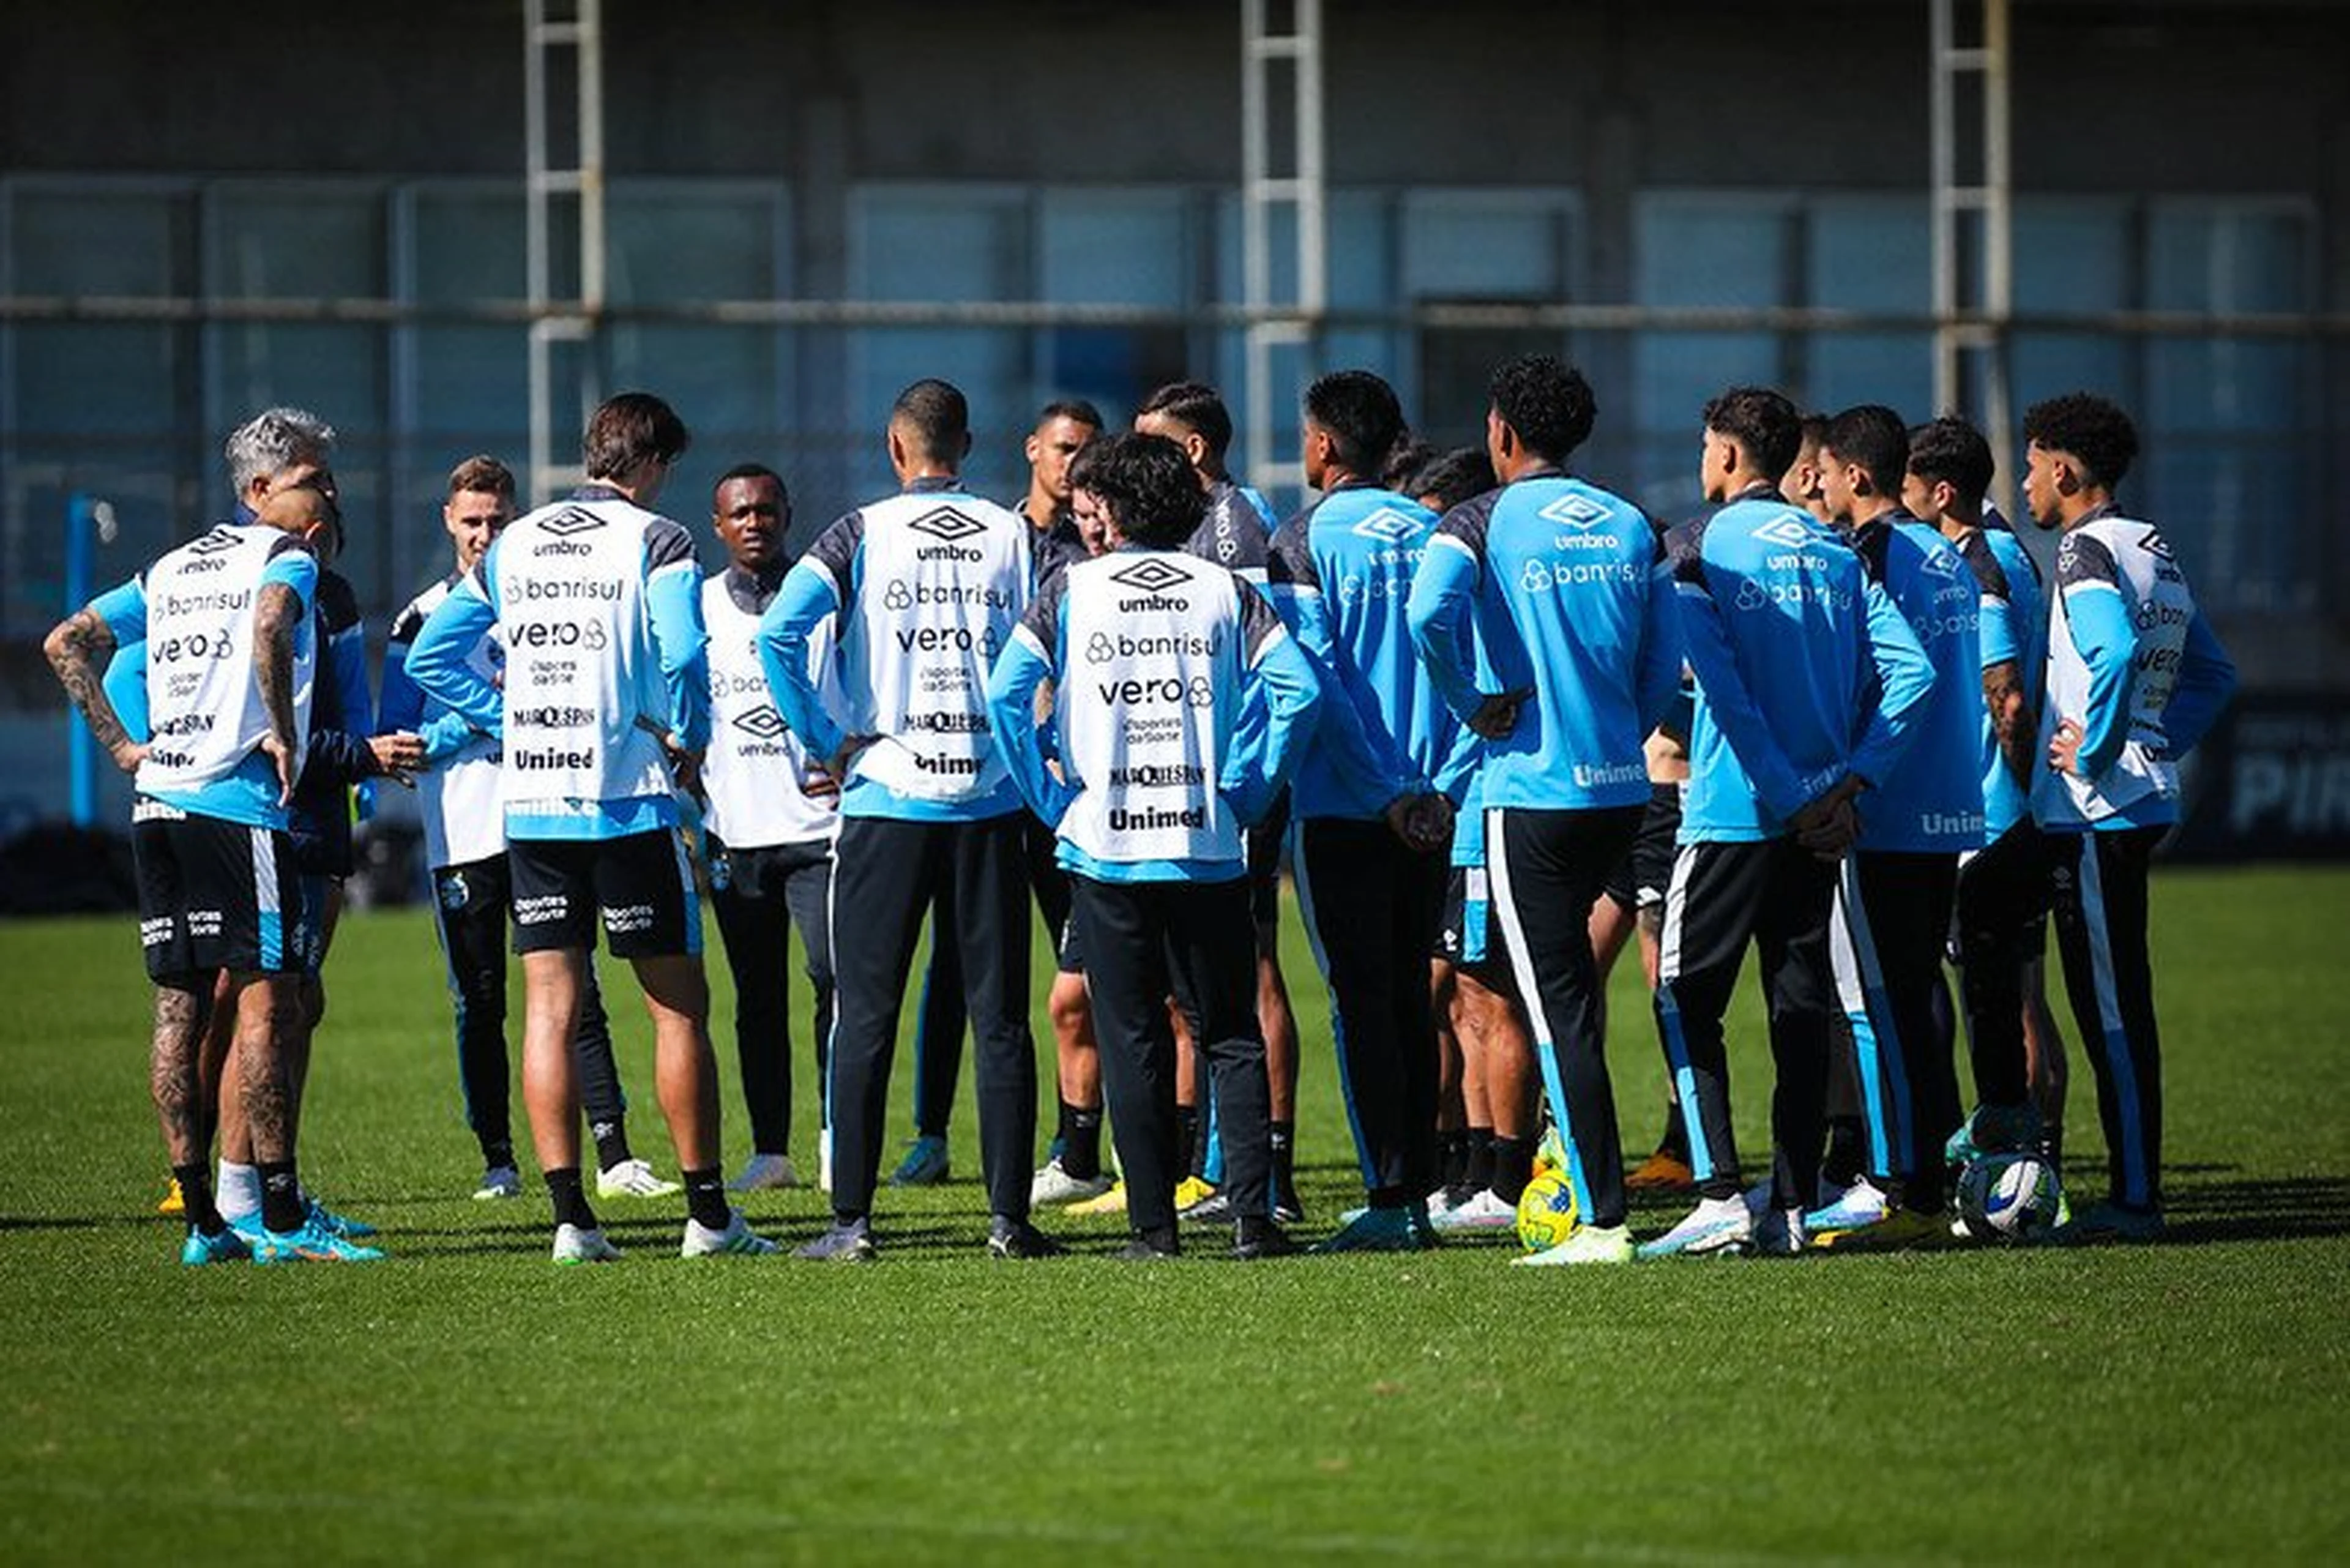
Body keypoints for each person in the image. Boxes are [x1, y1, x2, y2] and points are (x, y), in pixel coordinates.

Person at [408, 391, 773, 1263]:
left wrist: (506, 715)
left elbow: (430, 656)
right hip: (628, 797)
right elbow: (683, 652)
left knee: (549, 1009)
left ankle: (572, 1221)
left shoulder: (517, 541)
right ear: (648, 462)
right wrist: (688, 732)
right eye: (667, 466)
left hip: (535, 802)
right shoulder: (659, 539)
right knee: (678, 1009)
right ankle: (709, 1218)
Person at [986, 431, 1322, 1258]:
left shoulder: (1072, 588)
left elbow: (1005, 694)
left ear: (1116, 507)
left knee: (1132, 1035)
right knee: (1229, 1032)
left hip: (1105, 845)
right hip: (1206, 841)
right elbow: (1299, 691)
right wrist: (1249, 788)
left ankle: (1154, 1229)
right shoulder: (1223, 589)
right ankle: (1252, 1221)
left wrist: (1050, 798)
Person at [759, 378, 1053, 1262]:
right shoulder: (1016, 534)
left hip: (888, 793)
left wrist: (825, 740)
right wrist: (1036, 749)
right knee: (1001, 1019)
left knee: (865, 1014)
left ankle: (850, 1223)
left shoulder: (859, 532)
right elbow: (1064, 644)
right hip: (990, 798)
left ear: (896, 447)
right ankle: (1008, 1221)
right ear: (970, 445)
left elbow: (777, 634)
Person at [48, 482, 379, 1263]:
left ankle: (203, 1223)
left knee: (179, 1011)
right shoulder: (287, 556)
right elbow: (270, 623)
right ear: (309, 526)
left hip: (158, 806)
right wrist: (285, 731)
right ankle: (284, 1220)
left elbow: (65, 642)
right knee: (269, 1007)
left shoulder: (172, 567)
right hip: (239, 809)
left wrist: (124, 748)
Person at [1639, 387, 1932, 1260]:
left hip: (1735, 817)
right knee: (1798, 1010)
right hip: (1817, 828)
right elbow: (1913, 674)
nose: (1703, 460)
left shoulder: (1699, 550)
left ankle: (1718, 1193)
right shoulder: (1837, 551)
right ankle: (1793, 1206)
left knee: (1682, 997)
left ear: (1729, 456)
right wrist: (1848, 784)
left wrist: (1791, 791)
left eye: (1706, 446)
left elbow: (1725, 695)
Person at [1409, 355, 1682, 1264]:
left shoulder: (1479, 519)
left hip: (1531, 793)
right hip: (1622, 790)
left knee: (1552, 1005)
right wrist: (1620, 731)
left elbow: (1426, 615)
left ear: (1502, 433)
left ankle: (1601, 1217)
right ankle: (1606, 1179)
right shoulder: (1631, 521)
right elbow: (1663, 660)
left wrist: (1470, 701)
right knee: (1577, 1000)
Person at [380, 455, 651, 1201]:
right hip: (463, 831)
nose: (484, 534)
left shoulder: (546, 592)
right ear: (449, 521)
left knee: (579, 989)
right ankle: (498, 1160)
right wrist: (490, 716)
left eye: (497, 521)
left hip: (548, 817)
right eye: (472, 521)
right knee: (479, 999)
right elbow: (397, 739)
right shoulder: (419, 619)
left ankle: (615, 1155)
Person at [2021, 392, 2236, 1242]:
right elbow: (2213, 675)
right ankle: (2134, 1188)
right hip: (2136, 799)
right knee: (2117, 1003)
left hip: (2097, 809)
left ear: (2064, 469)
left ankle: (2137, 1199)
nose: (2027, 484)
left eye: (2033, 467)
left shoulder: (2083, 548)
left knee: (2110, 1009)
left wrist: (2101, 751)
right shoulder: (2153, 547)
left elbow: (2110, 651)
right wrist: (2154, 741)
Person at [894, 399, 1107, 1192]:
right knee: (953, 961)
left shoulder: (1096, 548)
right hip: (984, 784)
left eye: (1087, 451)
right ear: (1031, 450)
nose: (1074, 464)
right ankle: (930, 1133)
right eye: (1063, 447)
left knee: (1079, 963)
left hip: (1054, 790)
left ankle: (1074, 1141)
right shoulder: (994, 537)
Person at [1264, 369, 1455, 1252]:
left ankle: (1390, 1194)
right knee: (1412, 997)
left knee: (1363, 1001)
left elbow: (1318, 684)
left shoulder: (1300, 540)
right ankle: (1418, 1193)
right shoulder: (1438, 530)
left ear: (1325, 444)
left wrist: (1384, 793)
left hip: (1349, 808)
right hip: (1432, 810)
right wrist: (1434, 789)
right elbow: (1467, 669)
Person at [1804, 404, 1986, 1248]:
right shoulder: (1946, 553)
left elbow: (1893, 679)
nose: (1819, 488)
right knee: (1914, 998)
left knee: (1875, 1002)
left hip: (1890, 808)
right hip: (1949, 801)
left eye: (1826, 475)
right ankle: (1928, 1178)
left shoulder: (1870, 554)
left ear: (1857, 476)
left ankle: (1895, 1187)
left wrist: (1852, 776)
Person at [1132, 379, 1303, 1223]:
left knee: (1250, 967)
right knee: (1193, 985)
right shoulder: (1193, 520)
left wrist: (1246, 778)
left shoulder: (1233, 523)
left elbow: (1264, 668)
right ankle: (1216, 1165)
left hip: (1229, 784)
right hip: (1195, 784)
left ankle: (1268, 1171)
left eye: (1153, 441)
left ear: (1194, 448)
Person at [1900, 417, 2062, 1173]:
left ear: (1941, 492)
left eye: (1906, 487)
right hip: (2007, 809)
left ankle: (2024, 1166)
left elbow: (2010, 702)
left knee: (2004, 1002)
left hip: (1996, 816)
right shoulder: (2004, 552)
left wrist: (2025, 796)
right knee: (2016, 996)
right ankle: (2033, 1162)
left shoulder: (1980, 565)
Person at [696, 463, 839, 1193]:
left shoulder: (823, 599)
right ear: (718, 525)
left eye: (766, 510)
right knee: (756, 995)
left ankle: (837, 1137)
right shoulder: (698, 607)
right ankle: (770, 1149)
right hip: (736, 830)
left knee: (833, 981)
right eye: (740, 513)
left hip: (819, 829)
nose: (754, 523)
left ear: (788, 514)